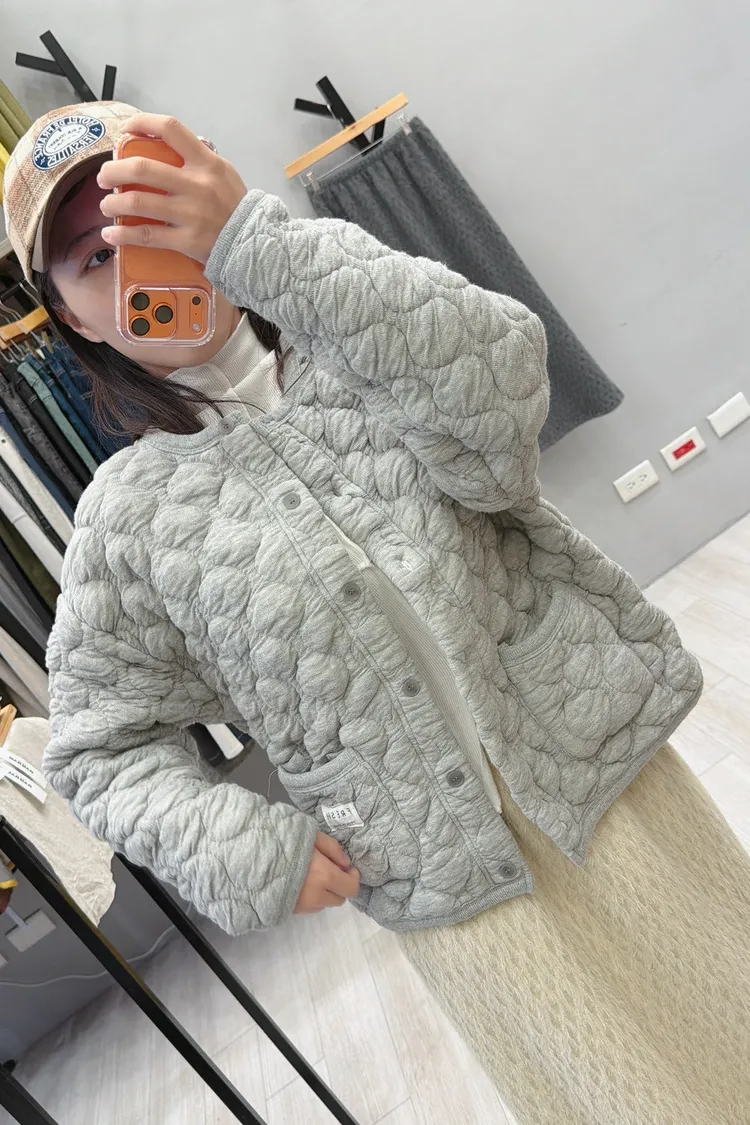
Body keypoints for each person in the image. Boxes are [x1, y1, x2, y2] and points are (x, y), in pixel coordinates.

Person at [4, 102, 749, 1125]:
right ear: (73, 318)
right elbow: (96, 751)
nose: (135, 258)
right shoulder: (125, 523)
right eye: (94, 257)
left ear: (209, 182)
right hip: (451, 890)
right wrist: (245, 848)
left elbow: (504, 405)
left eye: (151, 208)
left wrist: (259, 246)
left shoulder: (356, 316)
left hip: (600, 773)